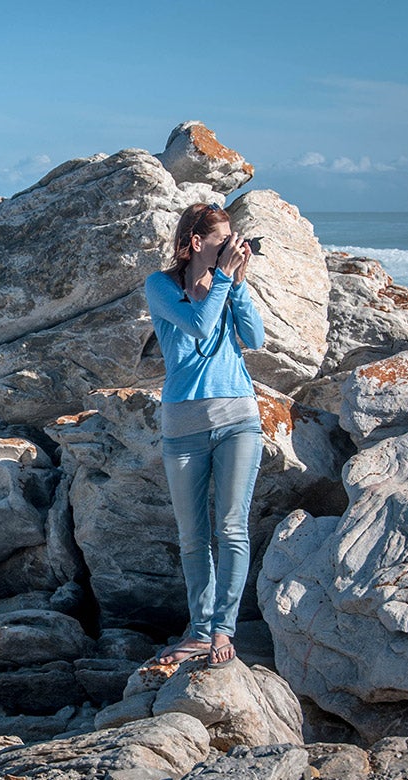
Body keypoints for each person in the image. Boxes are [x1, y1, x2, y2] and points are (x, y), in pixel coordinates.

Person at [143, 202, 265, 668]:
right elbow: (198, 324)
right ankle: (198, 629)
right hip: (184, 426)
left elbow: (254, 339)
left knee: (232, 528)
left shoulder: (230, 284)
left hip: (238, 418)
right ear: (197, 243)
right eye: (223, 239)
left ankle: (222, 629)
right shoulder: (161, 286)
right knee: (193, 537)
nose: (234, 246)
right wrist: (223, 285)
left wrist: (237, 285)